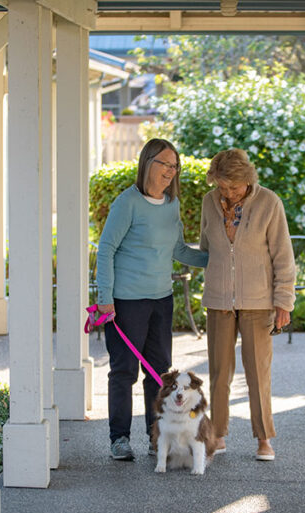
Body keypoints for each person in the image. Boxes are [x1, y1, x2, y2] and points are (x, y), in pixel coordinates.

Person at [95, 139, 208, 461]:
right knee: (124, 371)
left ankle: (154, 436)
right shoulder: (126, 203)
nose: (171, 172)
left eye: (175, 166)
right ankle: (119, 438)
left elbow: (179, 251)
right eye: (165, 164)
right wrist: (105, 299)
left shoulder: (171, 205)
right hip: (126, 301)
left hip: (162, 300)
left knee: (159, 374)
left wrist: (218, 259)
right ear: (147, 163)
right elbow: (106, 250)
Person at [199, 148, 295, 460]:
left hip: (259, 302)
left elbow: (283, 256)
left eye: (235, 187)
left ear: (248, 180)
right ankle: (218, 433)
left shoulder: (269, 203)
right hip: (218, 301)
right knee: (219, 373)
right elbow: (206, 250)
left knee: (257, 374)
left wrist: (284, 302)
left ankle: (264, 439)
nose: (228, 193)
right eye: (222, 186)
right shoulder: (209, 202)